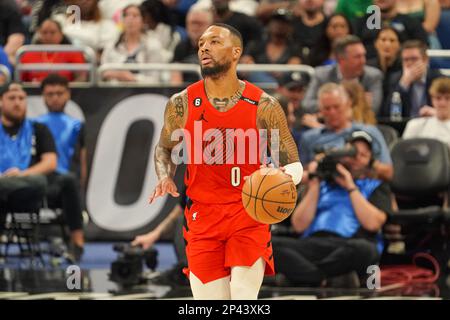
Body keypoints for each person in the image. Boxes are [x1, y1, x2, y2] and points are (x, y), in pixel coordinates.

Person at [148, 23, 302, 300]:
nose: (204, 47)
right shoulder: (181, 103)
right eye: (201, 44)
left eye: (215, 42)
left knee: (243, 297)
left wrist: (285, 178)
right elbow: (164, 149)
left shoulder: (264, 105)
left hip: (249, 212)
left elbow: (292, 160)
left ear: (236, 52)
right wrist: (164, 175)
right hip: (202, 215)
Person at [273, 130, 390, 286]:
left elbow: (373, 224)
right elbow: (299, 225)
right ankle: (322, 276)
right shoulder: (323, 183)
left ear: (370, 160)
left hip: (348, 245)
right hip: (312, 243)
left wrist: (350, 186)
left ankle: (305, 275)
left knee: (367, 250)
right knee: (270, 244)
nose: (356, 158)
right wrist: (315, 183)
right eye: (352, 152)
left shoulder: (375, 186)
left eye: (363, 155)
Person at [33, 74, 86, 261]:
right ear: (43, 97)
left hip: (64, 182)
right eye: (50, 94)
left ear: (68, 94)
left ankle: (77, 243)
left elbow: (83, 159)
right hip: (40, 179)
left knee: (70, 183)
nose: (55, 98)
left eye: (59, 93)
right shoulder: (34, 125)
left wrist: (82, 187)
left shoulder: (77, 126)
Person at [300, 83, 393, 182]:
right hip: (323, 191)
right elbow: (300, 175)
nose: (332, 112)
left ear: (348, 104)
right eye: (327, 108)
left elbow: (388, 173)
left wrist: (368, 163)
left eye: (337, 107)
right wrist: (319, 164)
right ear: (320, 110)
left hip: (363, 190)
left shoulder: (368, 132)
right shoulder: (309, 138)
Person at [0, 82, 57, 230]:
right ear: (1, 101)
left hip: (26, 188)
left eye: (21, 98)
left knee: (39, 180)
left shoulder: (38, 128)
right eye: (12, 98)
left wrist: (21, 175)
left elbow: (50, 162)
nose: (17, 103)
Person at [302, 35, 383, 115]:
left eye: (363, 55)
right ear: (341, 60)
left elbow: (374, 109)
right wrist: (355, 102)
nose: (363, 61)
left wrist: (328, 106)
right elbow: (307, 104)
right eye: (357, 57)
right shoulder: (322, 75)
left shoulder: (373, 76)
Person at [100, 4, 167, 83]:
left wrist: (132, 78)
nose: (130, 19)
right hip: (114, 91)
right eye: (126, 15)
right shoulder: (112, 45)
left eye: (135, 15)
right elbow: (103, 72)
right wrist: (117, 75)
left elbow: (155, 79)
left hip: (145, 93)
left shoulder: (153, 45)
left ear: (143, 21)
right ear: (122, 20)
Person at [380, 40, 443, 119]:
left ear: (425, 60)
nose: (409, 63)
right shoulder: (395, 79)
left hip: (432, 124)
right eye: (406, 60)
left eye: (414, 59)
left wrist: (435, 112)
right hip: (403, 127)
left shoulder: (439, 79)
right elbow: (386, 114)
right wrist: (403, 84)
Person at [19, 19, 88, 83]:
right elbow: (21, 80)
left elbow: (81, 78)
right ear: (39, 35)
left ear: (61, 34)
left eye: (52, 32)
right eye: (44, 32)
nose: (48, 36)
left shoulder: (73, 52)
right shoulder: (29, 54)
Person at [402, 77, 450, 148]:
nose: (442, 103)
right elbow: (404, 152)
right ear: (432, 99)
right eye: (438, 98)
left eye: (447, 98)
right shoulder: (416, 125)